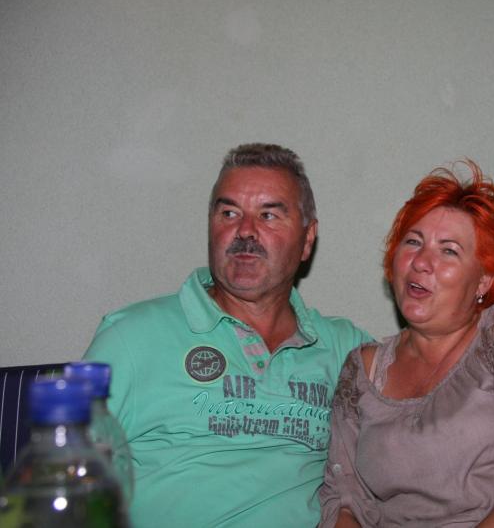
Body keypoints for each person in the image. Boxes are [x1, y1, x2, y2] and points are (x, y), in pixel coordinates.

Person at [83, 143, 372, 528]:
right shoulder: (131, 338)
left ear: (307, 239)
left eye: (269, 215)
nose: (245, 231)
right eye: (229, 213)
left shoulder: (344, 348)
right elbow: (62, 479)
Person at [319, 160, 494, 527]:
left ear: (484, 280)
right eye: (413, 242)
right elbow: (344, 499)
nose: (421, 262)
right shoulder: (362, 369)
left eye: (449, 250)